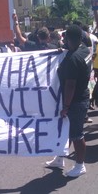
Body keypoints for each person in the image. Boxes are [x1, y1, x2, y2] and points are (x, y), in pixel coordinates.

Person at [46, 24, 92, 177]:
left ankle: (80, 165)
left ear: (70, 39)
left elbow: (70, 86)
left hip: (75, 101)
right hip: (81, 96)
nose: (64, 41)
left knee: (76, 134)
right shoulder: (84, 49)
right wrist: (63, 52)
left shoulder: (73, 59)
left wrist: (65, 106)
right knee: (65, 131)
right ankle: (60, 158)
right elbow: (71, 52)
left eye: (66, 39)